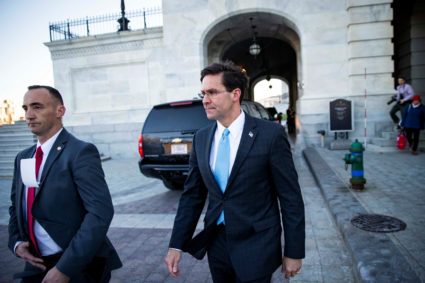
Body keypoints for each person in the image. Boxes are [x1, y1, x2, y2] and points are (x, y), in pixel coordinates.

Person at [165, 62, 305, 282]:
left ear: (235, 94)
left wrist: (294, 251)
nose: (205, 100)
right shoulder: (201, 138)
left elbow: (290, 198)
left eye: (212, 92)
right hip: (217, 243)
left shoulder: (270, 135)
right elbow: (192, 196)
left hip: (257, 243)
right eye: (203, 93)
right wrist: (176, 244)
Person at [8, 85, 122, 282]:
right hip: (36, 263)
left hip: (77, 264)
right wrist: (17, 242)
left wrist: (65, 268)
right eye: (25, 108)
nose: (29, 115)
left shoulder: (80, 152)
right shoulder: (23, 157)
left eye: (37, 107)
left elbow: (100, 212)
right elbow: (15, 207)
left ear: (60, 111)